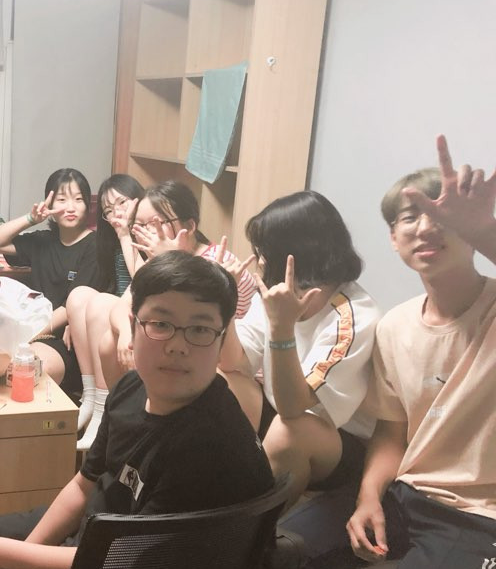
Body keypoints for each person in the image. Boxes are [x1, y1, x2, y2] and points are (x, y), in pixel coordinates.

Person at [0, 251, 275, 569]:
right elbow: (86, 483)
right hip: (106, 536)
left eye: (199, 329)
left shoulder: (209, 447)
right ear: (133, 326)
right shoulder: (131, 388)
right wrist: (18, 555)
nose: (178, 345)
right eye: (161, 324)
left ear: (222, 339)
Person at [344, 137, 496, 569]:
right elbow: (392, 431)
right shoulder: (394, 326)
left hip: (478, 516)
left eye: (442, 216)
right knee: (274, 548)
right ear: (393, 238)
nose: (426, 227)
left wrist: (485, 231)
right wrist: (369, 495)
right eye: (410, 217)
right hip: (404, 495)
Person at [218, 191, 379, 507]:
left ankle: (248, 527)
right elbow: (233, 363)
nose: (261, 262)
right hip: (283, 411)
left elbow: (294, 408)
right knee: (220, 382)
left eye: (265, 252)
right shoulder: (280, 293)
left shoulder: (354, 316)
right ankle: (214, 494)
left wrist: (281, 329)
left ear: (295, 254)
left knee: (287, 430)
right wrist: (222, 301)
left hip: (339, 441)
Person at [98, 180, 258, 409]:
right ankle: (120, 413)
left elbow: (215, 342)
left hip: (228, 362)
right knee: (110, 340)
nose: (146, 232)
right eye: (139, 225)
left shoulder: (218, 262)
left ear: (189, 226)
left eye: (155, 223)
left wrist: (172, 261)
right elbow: (123, 305)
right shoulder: (161, 258)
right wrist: (125, 332)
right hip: (184, 342)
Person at [0, 168, 102, 402]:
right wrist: (31, 219)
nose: (70, 207)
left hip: (69, 342)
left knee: (21, 371)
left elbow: (69, 308)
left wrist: (27, 336)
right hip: (33, 333)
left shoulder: (95, 246)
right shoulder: (42, 241)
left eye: (78, 199)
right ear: (49, 205)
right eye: (62, 200)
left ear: (87, 206)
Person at [64, 174, 144, 448]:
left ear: (138, 199)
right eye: (108, 210)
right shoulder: (109, 240)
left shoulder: (147, 233)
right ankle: (89, 397)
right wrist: (76, 322)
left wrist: (126, 235)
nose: (116, 213)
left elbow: (144, 281)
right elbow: (108, 284)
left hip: (142, 314)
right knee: (78, 297)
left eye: (122, 202)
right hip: (117, 309)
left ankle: (101, 410)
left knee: (99, 304)